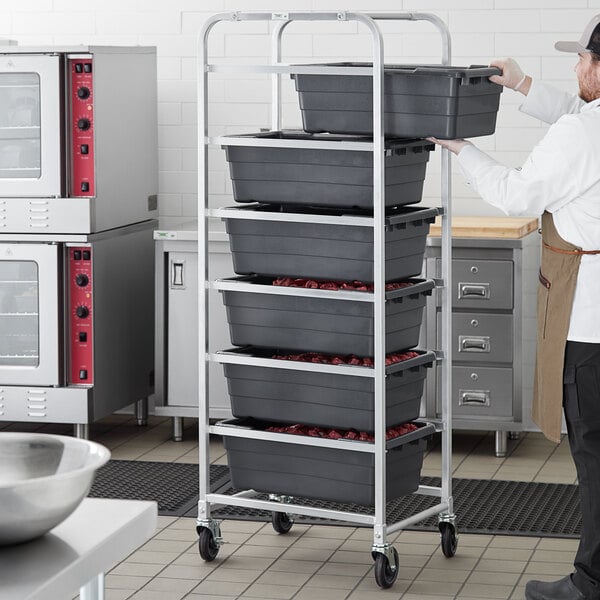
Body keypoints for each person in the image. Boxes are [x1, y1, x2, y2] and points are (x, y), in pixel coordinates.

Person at [428, 14, 600, 600]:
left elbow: (514, 197)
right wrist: (524, 86)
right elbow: (579, 118)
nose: (578, 68)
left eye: (584, 59)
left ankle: (593, 582)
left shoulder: (582, 135)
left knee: (596, 455)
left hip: (593, 324)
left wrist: (462, 149)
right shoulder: (587, 127)